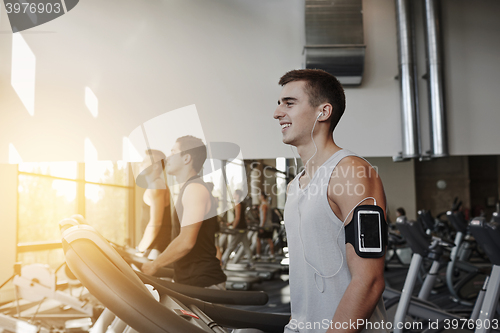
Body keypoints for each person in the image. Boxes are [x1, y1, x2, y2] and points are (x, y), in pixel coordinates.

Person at [273, 69, 387, 333]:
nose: (277, 113)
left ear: (323, 112)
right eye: (279, 104)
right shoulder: (295, 185)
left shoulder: (352, 172)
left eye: (289, 103)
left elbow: (369, 280)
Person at [141, 136, 227, 289]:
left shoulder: (195, 189)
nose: (168, 157)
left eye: (173, 152)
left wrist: (155, 264)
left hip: (203, 282)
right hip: (190, 279)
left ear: (186, 158)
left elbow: (186, 241)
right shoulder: (188, 188)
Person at [136, 149, 171, 259]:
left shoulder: (156, 185)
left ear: (155, 166)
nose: (140, 164)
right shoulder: (155, 184)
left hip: (156, 249)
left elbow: (156, 223)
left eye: (145, 161)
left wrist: (140, 249)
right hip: (152, 248)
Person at [221, 189, 254, 268]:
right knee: (246, 247)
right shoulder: (242, 204)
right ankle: (252, 264)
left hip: (238, 229)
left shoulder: (237, 204)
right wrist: (230, 223)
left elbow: (238, 218)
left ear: (238, 195)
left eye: (235, 194)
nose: (233, 195)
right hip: (243, 228)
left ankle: (223, 263)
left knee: (230, 247)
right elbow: (241, 218)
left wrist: (233, 227)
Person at [255, 192, 275, 259]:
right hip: (269, 224)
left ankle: (258, 255)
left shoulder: (264, 205)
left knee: (258, 239)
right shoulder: (267, 204)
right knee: (269, 240)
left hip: (265, 225)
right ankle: (272, 255)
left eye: (259, 195)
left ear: (262, 196)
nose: (258, 197)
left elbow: (264, 216)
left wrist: (262, 226)